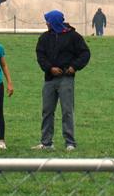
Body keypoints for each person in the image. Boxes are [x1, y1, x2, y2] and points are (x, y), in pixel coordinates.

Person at [34, 10, 90, 151]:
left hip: (66, 79)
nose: (46, 23)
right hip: (49, 80)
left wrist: (74, 67)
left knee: (67, 111)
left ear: (54, 22)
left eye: (48, 20)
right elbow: (40, 56)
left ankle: (70, 142)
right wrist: (50, 68)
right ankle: (46, 142)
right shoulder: (44, 38)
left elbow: (85, 53)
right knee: (47, 111)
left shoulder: (74, 37)